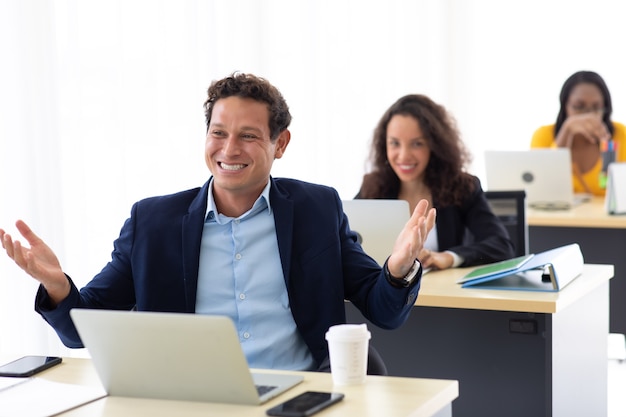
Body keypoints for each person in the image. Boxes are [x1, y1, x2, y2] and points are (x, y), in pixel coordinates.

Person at [1, 72, 436, 373]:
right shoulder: (153, 222)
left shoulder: (316, 209)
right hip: (194, 402)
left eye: (248, 135)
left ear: (279, 143)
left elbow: (382, 309)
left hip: (300, 395)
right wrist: (57, 284)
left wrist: (398, 268)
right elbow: (84, 330)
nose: (229, 148)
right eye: (218, 132)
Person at [356, 94, 514, 271]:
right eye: (394, 143)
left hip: (441, 296)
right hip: (387, 294)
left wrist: (449, 257)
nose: (403, 155)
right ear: (383, 144)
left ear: (435, 145)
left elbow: (501, 245)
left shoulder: (462, 187)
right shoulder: (372, 187)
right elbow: (346, 243)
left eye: (417, 144)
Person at [530, 70, 626, 196]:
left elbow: (614, 191)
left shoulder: (618, 135)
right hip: (556, 216)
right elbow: (541, 188)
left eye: (596, 107)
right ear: (565, 106)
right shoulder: (543, 135)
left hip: (602, 216)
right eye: (579, 106)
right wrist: (567, 130)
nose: (588, 114)